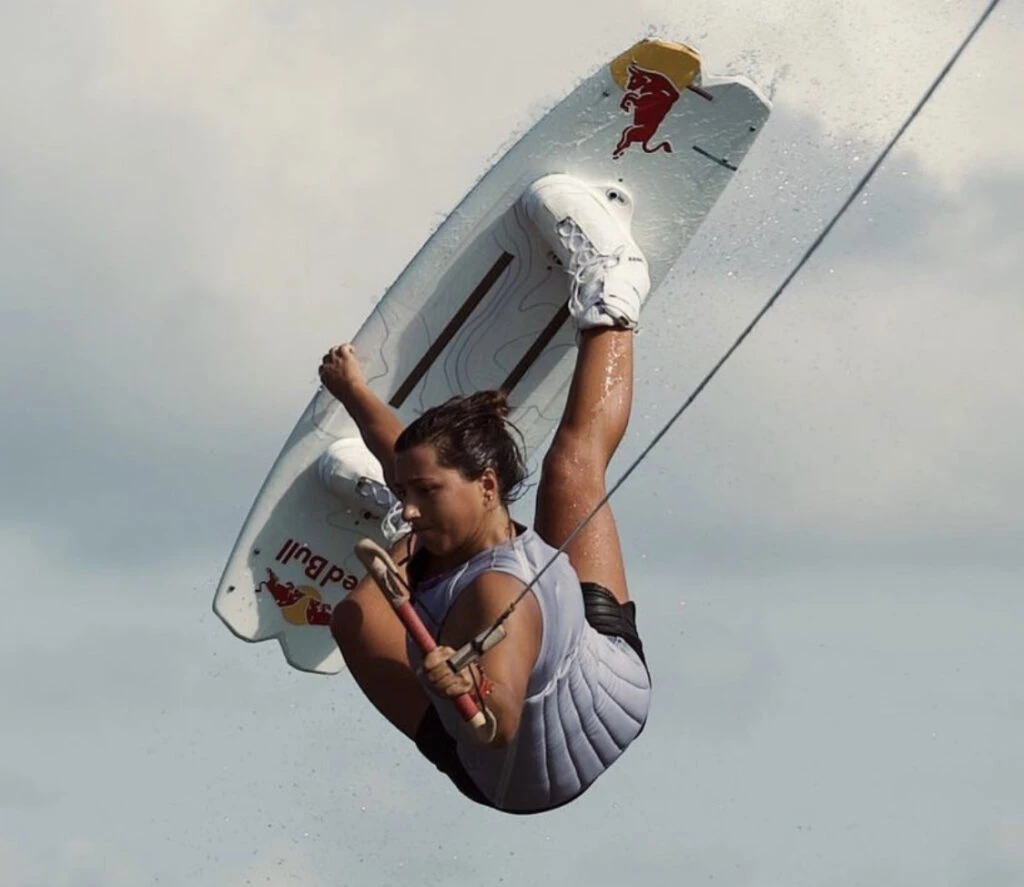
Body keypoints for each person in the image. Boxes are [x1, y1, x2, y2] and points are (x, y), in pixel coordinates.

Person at [321, 174, 653, 814]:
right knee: (567, 473)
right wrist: (355, 393)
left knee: (358, 616)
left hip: (510, 774)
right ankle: (615, 294)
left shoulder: (496, 596)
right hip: (610, 681)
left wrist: (460, 690)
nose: (413, 501)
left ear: (488, 484)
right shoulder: (466, 504)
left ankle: (615, 282)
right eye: (403, 489)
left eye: (421, 492)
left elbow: (494, 726)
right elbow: (414, 461)